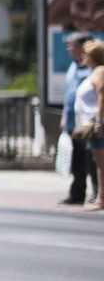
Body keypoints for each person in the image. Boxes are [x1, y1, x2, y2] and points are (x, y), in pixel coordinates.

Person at [60, 32, 99, 205]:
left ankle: (97, 194)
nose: (68, 48)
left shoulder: (94, 70)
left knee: (93, 159)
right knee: (77, 161)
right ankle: (77, 194)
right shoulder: (73, 66)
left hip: (89, 121)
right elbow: (69, 95)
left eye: (71, 45)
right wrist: (64, 116)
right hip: (74, 121)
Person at [76, 39, 104, 211]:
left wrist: (99, 122)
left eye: (85, 53)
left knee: (101, 164)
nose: (83, 56)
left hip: (98, 123)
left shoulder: (100, 72)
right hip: (93, 122)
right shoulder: (94, 72)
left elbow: (102, 97)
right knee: (97, 161)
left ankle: (101, 199)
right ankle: (99, 197)